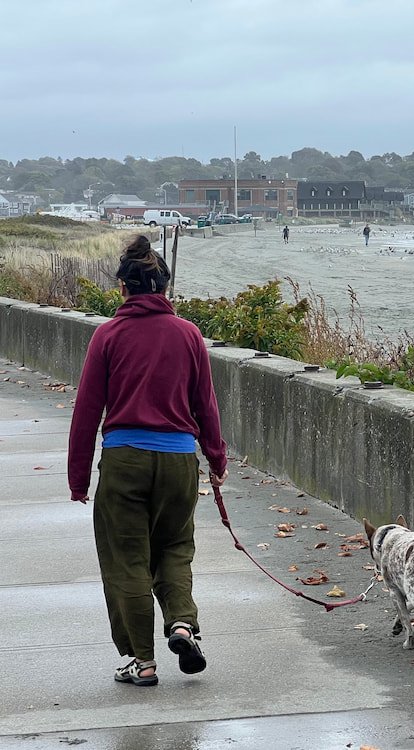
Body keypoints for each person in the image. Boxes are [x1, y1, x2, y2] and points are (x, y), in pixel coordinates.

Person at [68, 235, 229, 687]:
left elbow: (86, 411)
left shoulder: (108, 335)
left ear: (123, 289)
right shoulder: (189, 334)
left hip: (125, 462)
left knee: (128, 561)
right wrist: (216, 459)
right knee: (175, 549)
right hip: (178, 461)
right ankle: (181, 623)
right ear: (164, 290)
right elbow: (206, 405)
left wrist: (78, 477)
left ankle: (142, 662)